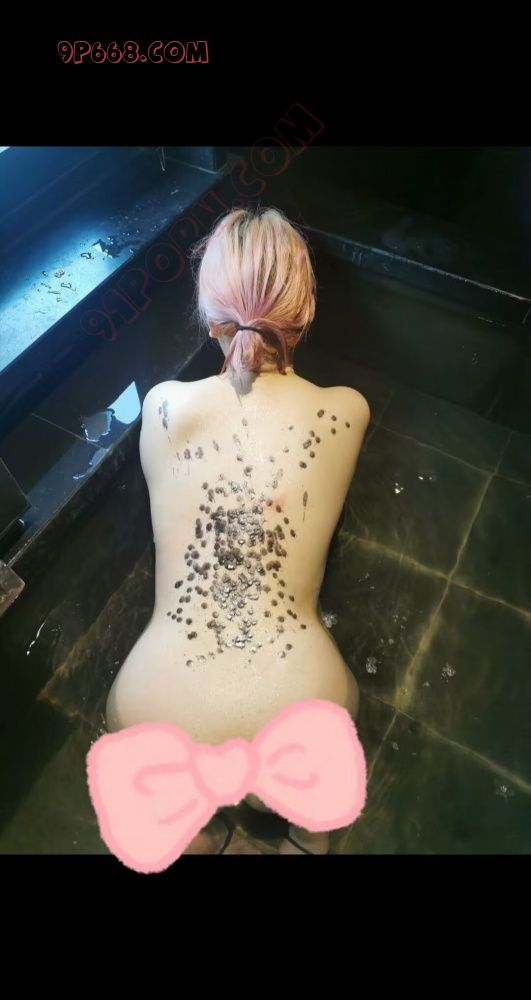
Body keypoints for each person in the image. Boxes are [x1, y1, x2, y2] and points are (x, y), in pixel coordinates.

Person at [106, 207, 370, 854]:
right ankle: (305, 837)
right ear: (304, 315)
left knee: (176, 816)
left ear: (209, 318)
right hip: (299, 714)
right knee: (328, 758)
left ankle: (197, 831)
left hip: (156, 709)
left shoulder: (162, 406)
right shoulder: (345, 412)